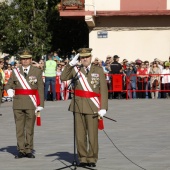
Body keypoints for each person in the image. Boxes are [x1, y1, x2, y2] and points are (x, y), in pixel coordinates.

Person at [60, 48, 108, 168]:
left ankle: (91, 157)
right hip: (78, 106)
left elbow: (103, 90)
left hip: (93, 106)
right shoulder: (75, 70)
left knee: (92, 135)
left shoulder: (98, 70)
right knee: (80, 136)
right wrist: (70, 64)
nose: (84, 59)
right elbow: (63, 77)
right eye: (82, 57)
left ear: (91, 57)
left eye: (86, 57)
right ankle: (82, 157)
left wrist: (103, 107)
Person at [5, 50, 44, 159]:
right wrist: (9, 90)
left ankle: (28, 150)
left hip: (31, 103)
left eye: (27, 59)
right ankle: (21, 150)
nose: (25, 60)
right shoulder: (15, 71)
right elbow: (8, 85)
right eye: (23, 59)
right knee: (19, 128)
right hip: (18, 103)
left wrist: (41, 103)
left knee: (30, 128)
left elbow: (40, 88)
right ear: (21, 60)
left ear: (31, 60)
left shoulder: (37, 71)